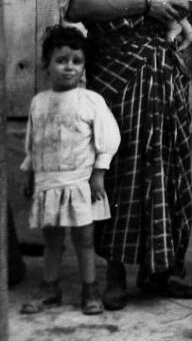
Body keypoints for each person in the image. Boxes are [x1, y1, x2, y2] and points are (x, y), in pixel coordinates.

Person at [54, 0, 192, 309]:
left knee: (169, 162)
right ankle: (114, 271)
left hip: (161, 65)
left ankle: (162, 270)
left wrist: (175, 11)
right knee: (118, 166)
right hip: (115, 69)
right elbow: (76, 6)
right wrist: (143, 3)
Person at [19, 26, 120, 315]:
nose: (69, 67)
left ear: (84, 66)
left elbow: (108, 138)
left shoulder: (90, 101)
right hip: (48, 182)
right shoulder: (39, 102)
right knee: (52, 239)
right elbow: (33, 143)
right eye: (61, 60)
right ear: (47, 65)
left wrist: (99, 174)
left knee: (84, 238)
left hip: (79, 182)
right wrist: (29, 174)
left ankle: (90, 290)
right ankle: (50, 289)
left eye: (77, 61)